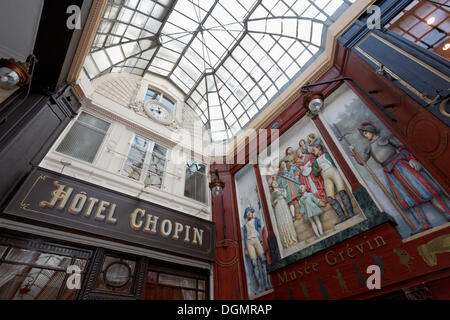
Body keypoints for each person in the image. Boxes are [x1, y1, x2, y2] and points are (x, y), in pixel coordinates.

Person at [351, 121, 450, 231]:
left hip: (401, 165)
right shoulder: (368, 148)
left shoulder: (386, 137)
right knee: (407, 198)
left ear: (371, 130)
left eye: (366, 132)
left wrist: (411, 159)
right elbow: (362, 162)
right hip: (390, 172)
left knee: (424, 189)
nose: (365, 135)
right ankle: (423, 224)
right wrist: (354, 153)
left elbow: (401, 147)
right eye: (363, 134)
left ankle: (447, 213)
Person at [312, 144, 355, 224]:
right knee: (330, 198)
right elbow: (315, 173)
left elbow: (335, 163)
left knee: (342, 191)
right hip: (326, 177)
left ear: (319, 148)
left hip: (334, 172)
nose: (313, 152)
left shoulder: (327, 155)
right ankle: (342, 217)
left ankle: (351, 213)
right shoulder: (316, 162)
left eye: (314, 150)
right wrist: (318, 170)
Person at [242, 207, 271, 292]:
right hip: (249, 242)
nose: (248, 213)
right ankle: (260, 286)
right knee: (254, 264)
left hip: (257, 240)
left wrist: (262, 241)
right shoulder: (245, 226)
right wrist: (246, 248)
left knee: (263, 261)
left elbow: (260, 230)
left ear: (252, 212)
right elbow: (245, 237)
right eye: (247, 213)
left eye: (250, 212)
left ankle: (267, 283)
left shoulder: (256, 220)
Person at [270, 180, 298, 248]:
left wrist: (285, 189)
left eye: (275, 182)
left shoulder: (281, 189)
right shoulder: (273, 193)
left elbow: (285, 196)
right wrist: (274, 202)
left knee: (287, 219)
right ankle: (286, 241)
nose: (275, 183)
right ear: (272, 186)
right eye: (273, 183)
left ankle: (292, 238)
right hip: (278, 206)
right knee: (282, 221)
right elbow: (272, 204)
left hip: (283, 203)